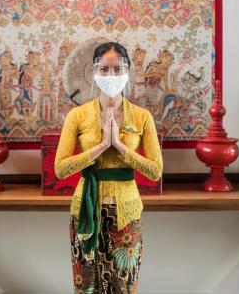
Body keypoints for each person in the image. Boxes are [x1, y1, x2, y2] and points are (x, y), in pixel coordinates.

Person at [54, 42, 163, 293]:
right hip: (85, 208)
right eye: (104, 69)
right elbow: (60, 169)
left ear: (128, 71)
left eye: (117, 69)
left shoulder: (142, 116)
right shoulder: (78, 116)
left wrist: (120, 146)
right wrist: (102, 146)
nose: (111, 76)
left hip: (126, 210)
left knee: (123, 284)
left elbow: (155, 171)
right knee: (87, 284)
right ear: (94, 72)